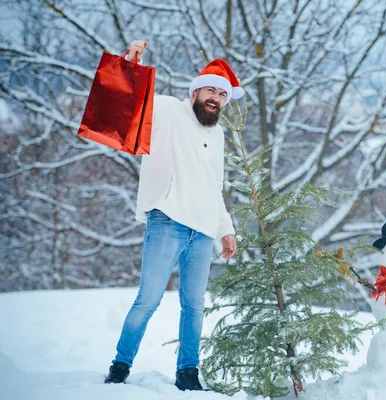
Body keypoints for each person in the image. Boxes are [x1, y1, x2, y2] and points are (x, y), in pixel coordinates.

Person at [104, 40, 243, 391]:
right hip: (167, 221)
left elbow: (215, 186)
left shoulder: (219, 132)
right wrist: (131, 64)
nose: (215, 98)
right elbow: (132, 99)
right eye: (209, 90)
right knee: (147, 299)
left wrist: (225, 230)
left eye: (221, 95)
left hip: (203, 231)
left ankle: (188, 373)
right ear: (195, 91)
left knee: (194, 307)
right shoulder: (168, 110)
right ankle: (120, 366)